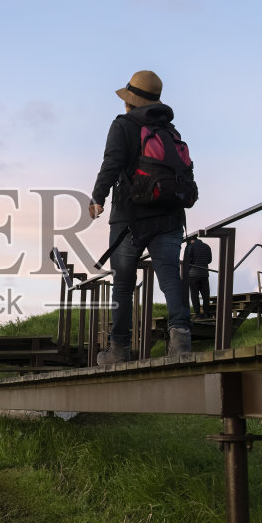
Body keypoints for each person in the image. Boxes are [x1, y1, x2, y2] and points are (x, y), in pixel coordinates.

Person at [88, 71, 193, 363]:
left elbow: (111, 163)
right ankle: (181, 340)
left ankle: (119, 349)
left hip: (130, 218)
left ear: (129, 102)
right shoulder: (171, 132)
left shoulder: (123, 125)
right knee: (170, 275)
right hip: (170, 216)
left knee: (123, 285)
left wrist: (98, 197)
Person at [183, 235, 213, 318]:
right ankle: (206, 313)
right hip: (204, 274)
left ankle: (198, 314)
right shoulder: (207, 246)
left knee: (194, 295)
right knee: (205, 295)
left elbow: (187, 261)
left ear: (190, 240)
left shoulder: (190, 247)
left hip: (193, 275)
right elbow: (209, 260)